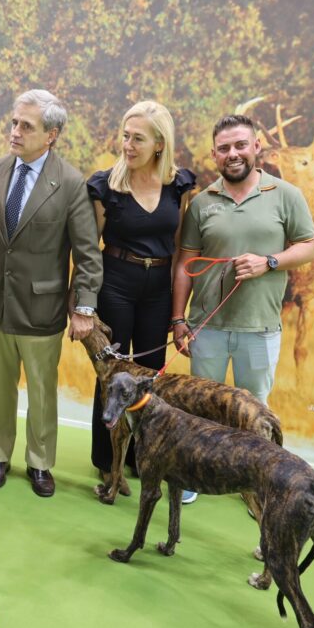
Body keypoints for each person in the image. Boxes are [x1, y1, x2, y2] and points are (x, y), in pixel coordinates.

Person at [171, 113, 314, 504]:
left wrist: (267, 261)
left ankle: (256, 486)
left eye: (240, 145)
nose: (232, 154)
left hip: (260, 326)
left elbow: (308, 247)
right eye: (224, 148)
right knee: (201, 408)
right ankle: (194, 478)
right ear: (214, 155)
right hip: (208, 327)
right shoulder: (202, 203)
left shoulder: (286, 195)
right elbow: (185, 265)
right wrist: (179, 319)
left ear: (256, 148)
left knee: (255, 411)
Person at [0, 89, 103, 497]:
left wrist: (84, 307)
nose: (15, 131)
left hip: (42, 308)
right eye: (14, 122)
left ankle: (40, 462)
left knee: (43, 391)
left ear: (52, 134)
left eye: (26, 126)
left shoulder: (69, 183)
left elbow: (87, 253)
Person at [86, 101, 196, 492]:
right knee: (114, 375)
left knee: (151, 377)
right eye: (125, 136)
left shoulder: (179, 185)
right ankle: (106, 461)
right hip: (116, 281)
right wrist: (82, 303)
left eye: (138, 138)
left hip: (158, 288)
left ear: (160, 144)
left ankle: (140, 455)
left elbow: (182, 244)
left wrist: (180, 306)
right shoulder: (106, 185)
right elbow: (87, 248)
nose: (128, 145)